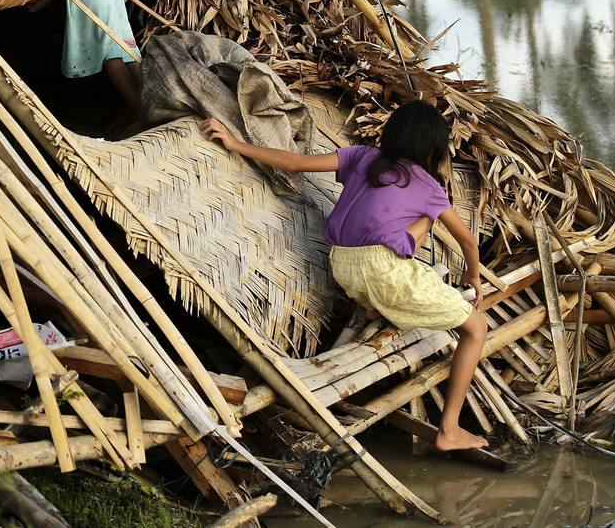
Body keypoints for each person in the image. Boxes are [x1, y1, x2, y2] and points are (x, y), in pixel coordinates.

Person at [200, 100, 490, 452]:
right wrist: (473, 278)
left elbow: (294, 163)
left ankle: (377, 308)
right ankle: (449, 430)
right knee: (476, 328)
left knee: (406, 251)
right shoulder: (429, 186)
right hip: (382, 269)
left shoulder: (362, 156)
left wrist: (235, 143)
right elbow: (468, 242)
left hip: (342, 263)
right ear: (434, 148)